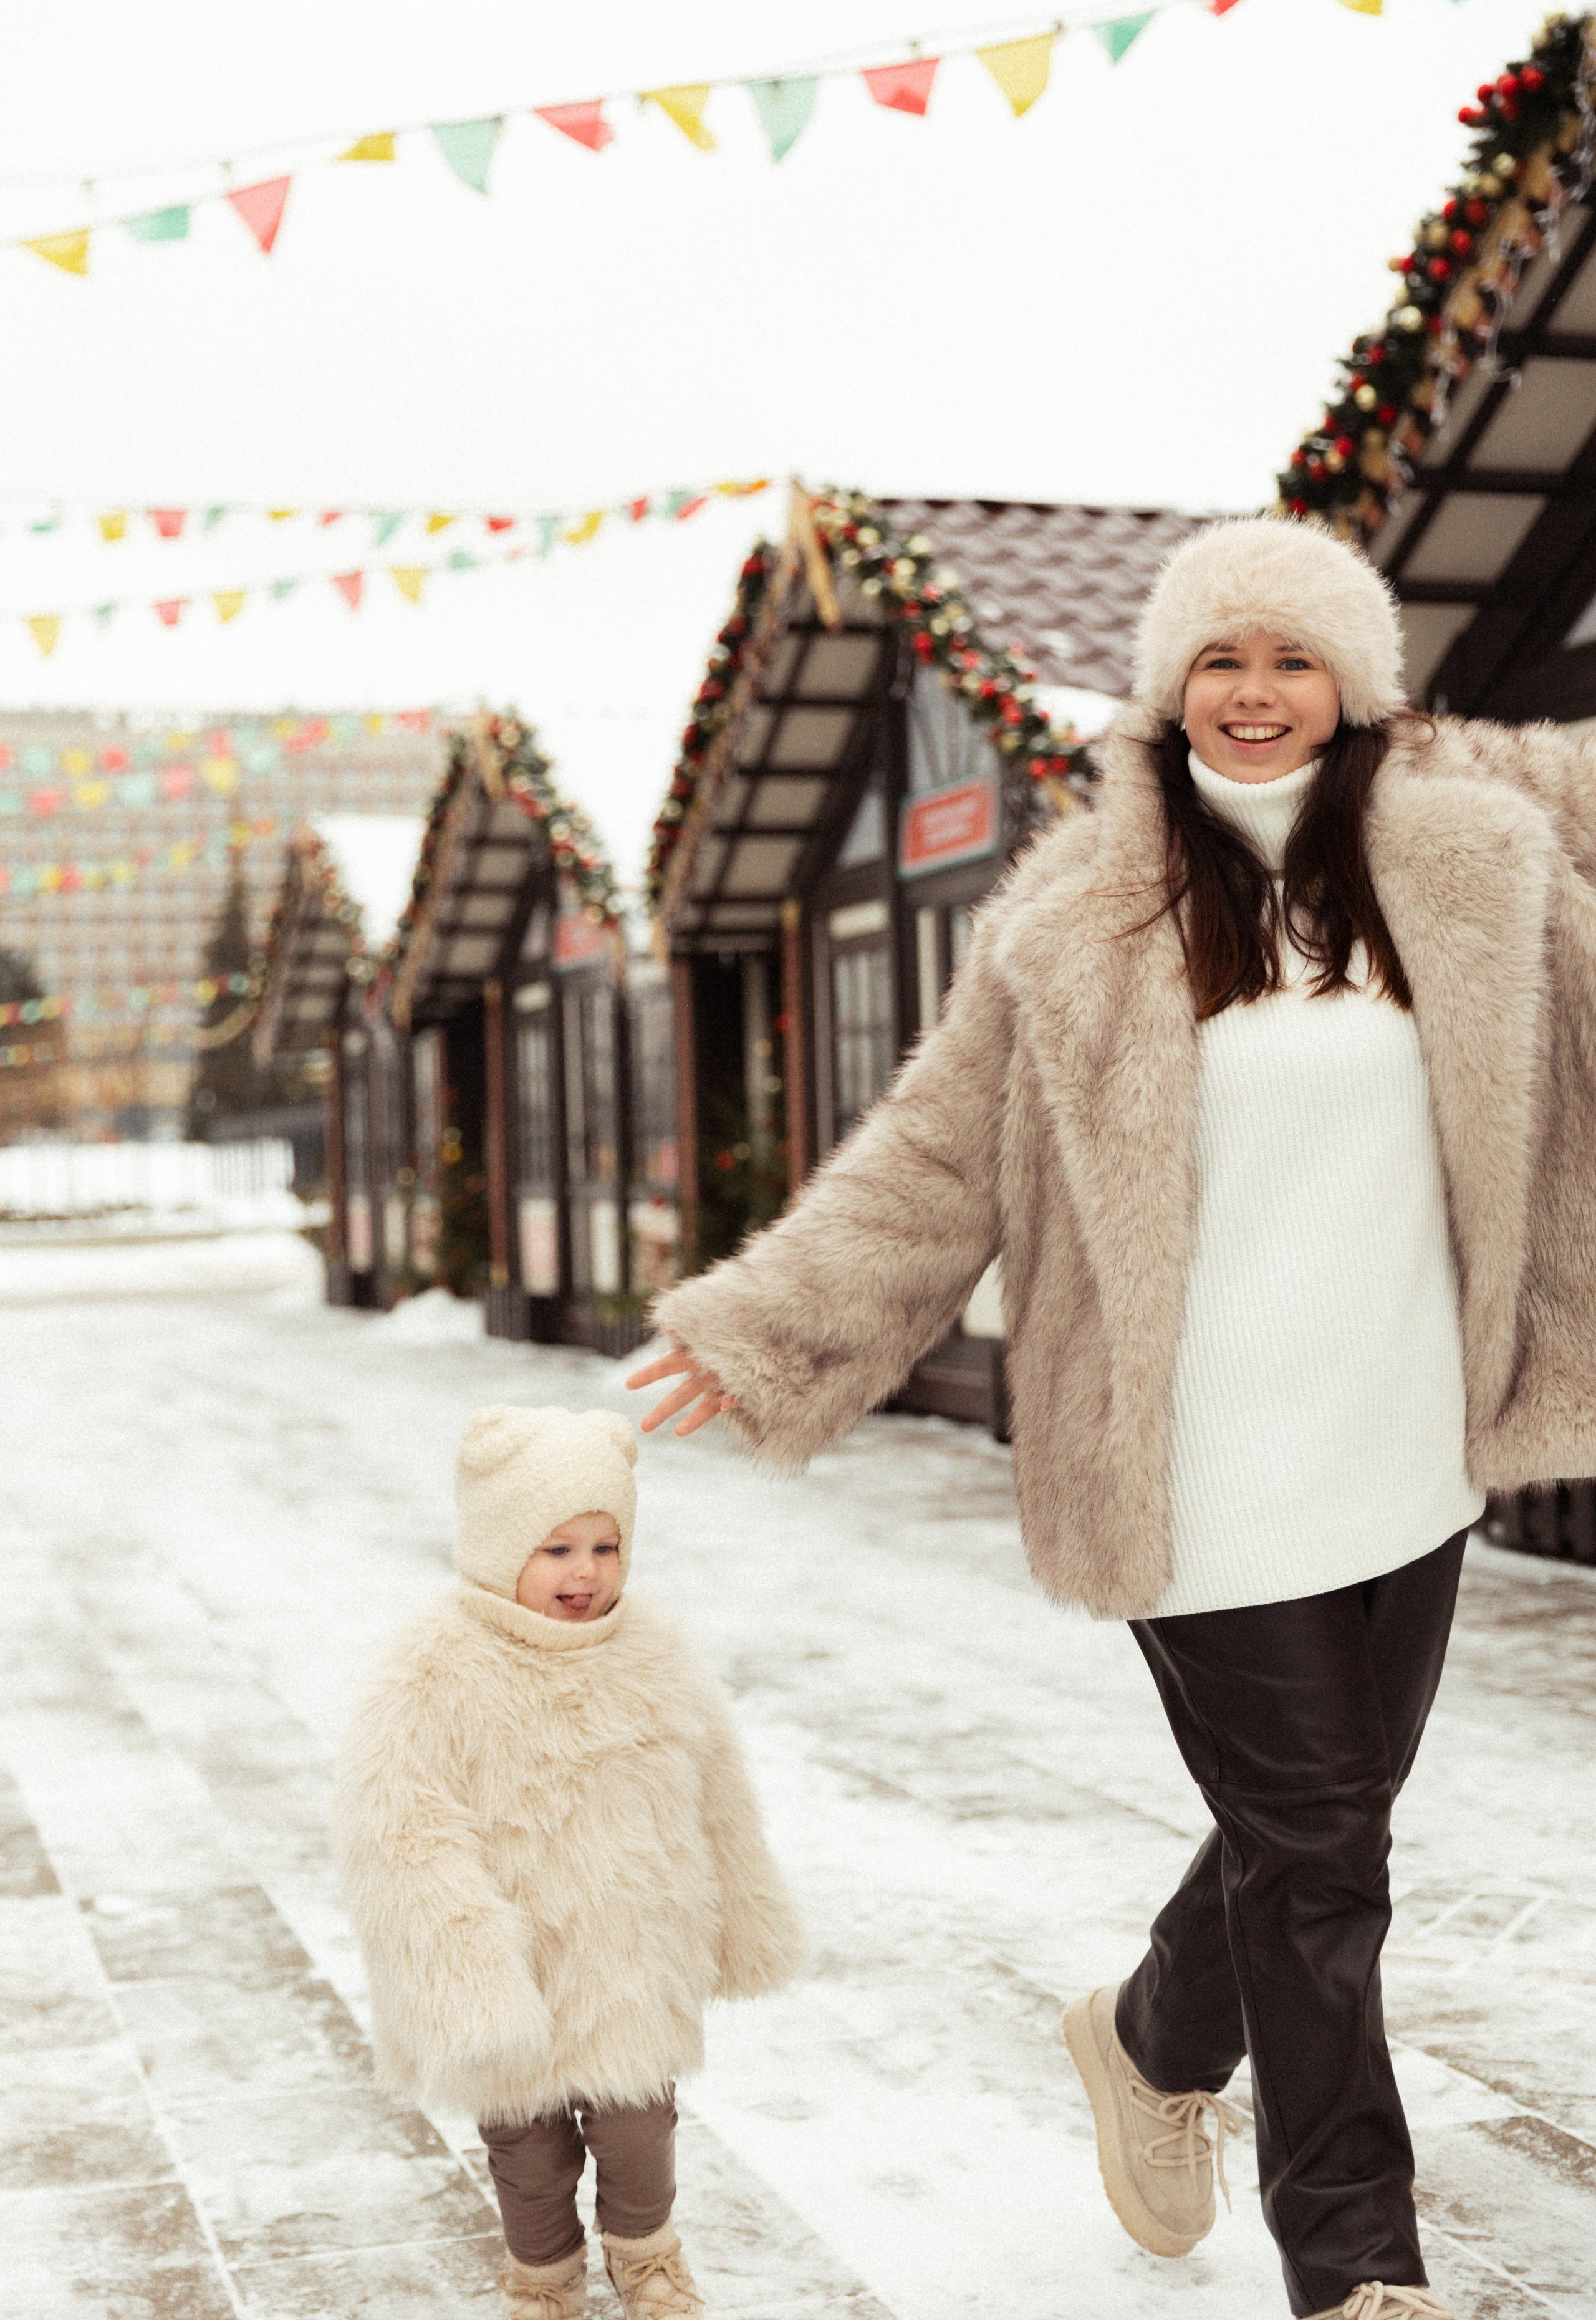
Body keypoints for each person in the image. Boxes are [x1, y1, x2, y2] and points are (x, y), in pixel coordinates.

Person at [628, 515, 1596, 2320]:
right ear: (1165, 692)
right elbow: (932, 1163)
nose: (1254, 693)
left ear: (1357, 684)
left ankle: (1154, 2038)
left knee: (1309, 1826)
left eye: (1293, 657)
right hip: (1193, 1467)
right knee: (1325, 1869)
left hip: (1406, 1445)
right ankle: (1359, 2271)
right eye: (1218, 662)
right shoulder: (1076, 921)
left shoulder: (1476, 862)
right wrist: (772, 1326)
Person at [334, 1405, 805, 2319]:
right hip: (513, 1972)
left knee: (639, 2125)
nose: (585, 1573)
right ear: (497, 1544)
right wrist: (467, 1977)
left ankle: (648, 2258)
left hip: (632, 1954)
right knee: (527, 2146)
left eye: (605, 1547)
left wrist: (748, 1920)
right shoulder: (433, 1672)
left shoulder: (655, 1655)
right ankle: (544, 2276)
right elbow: (400, 1833)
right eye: (555, 1550)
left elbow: (721, 1795)